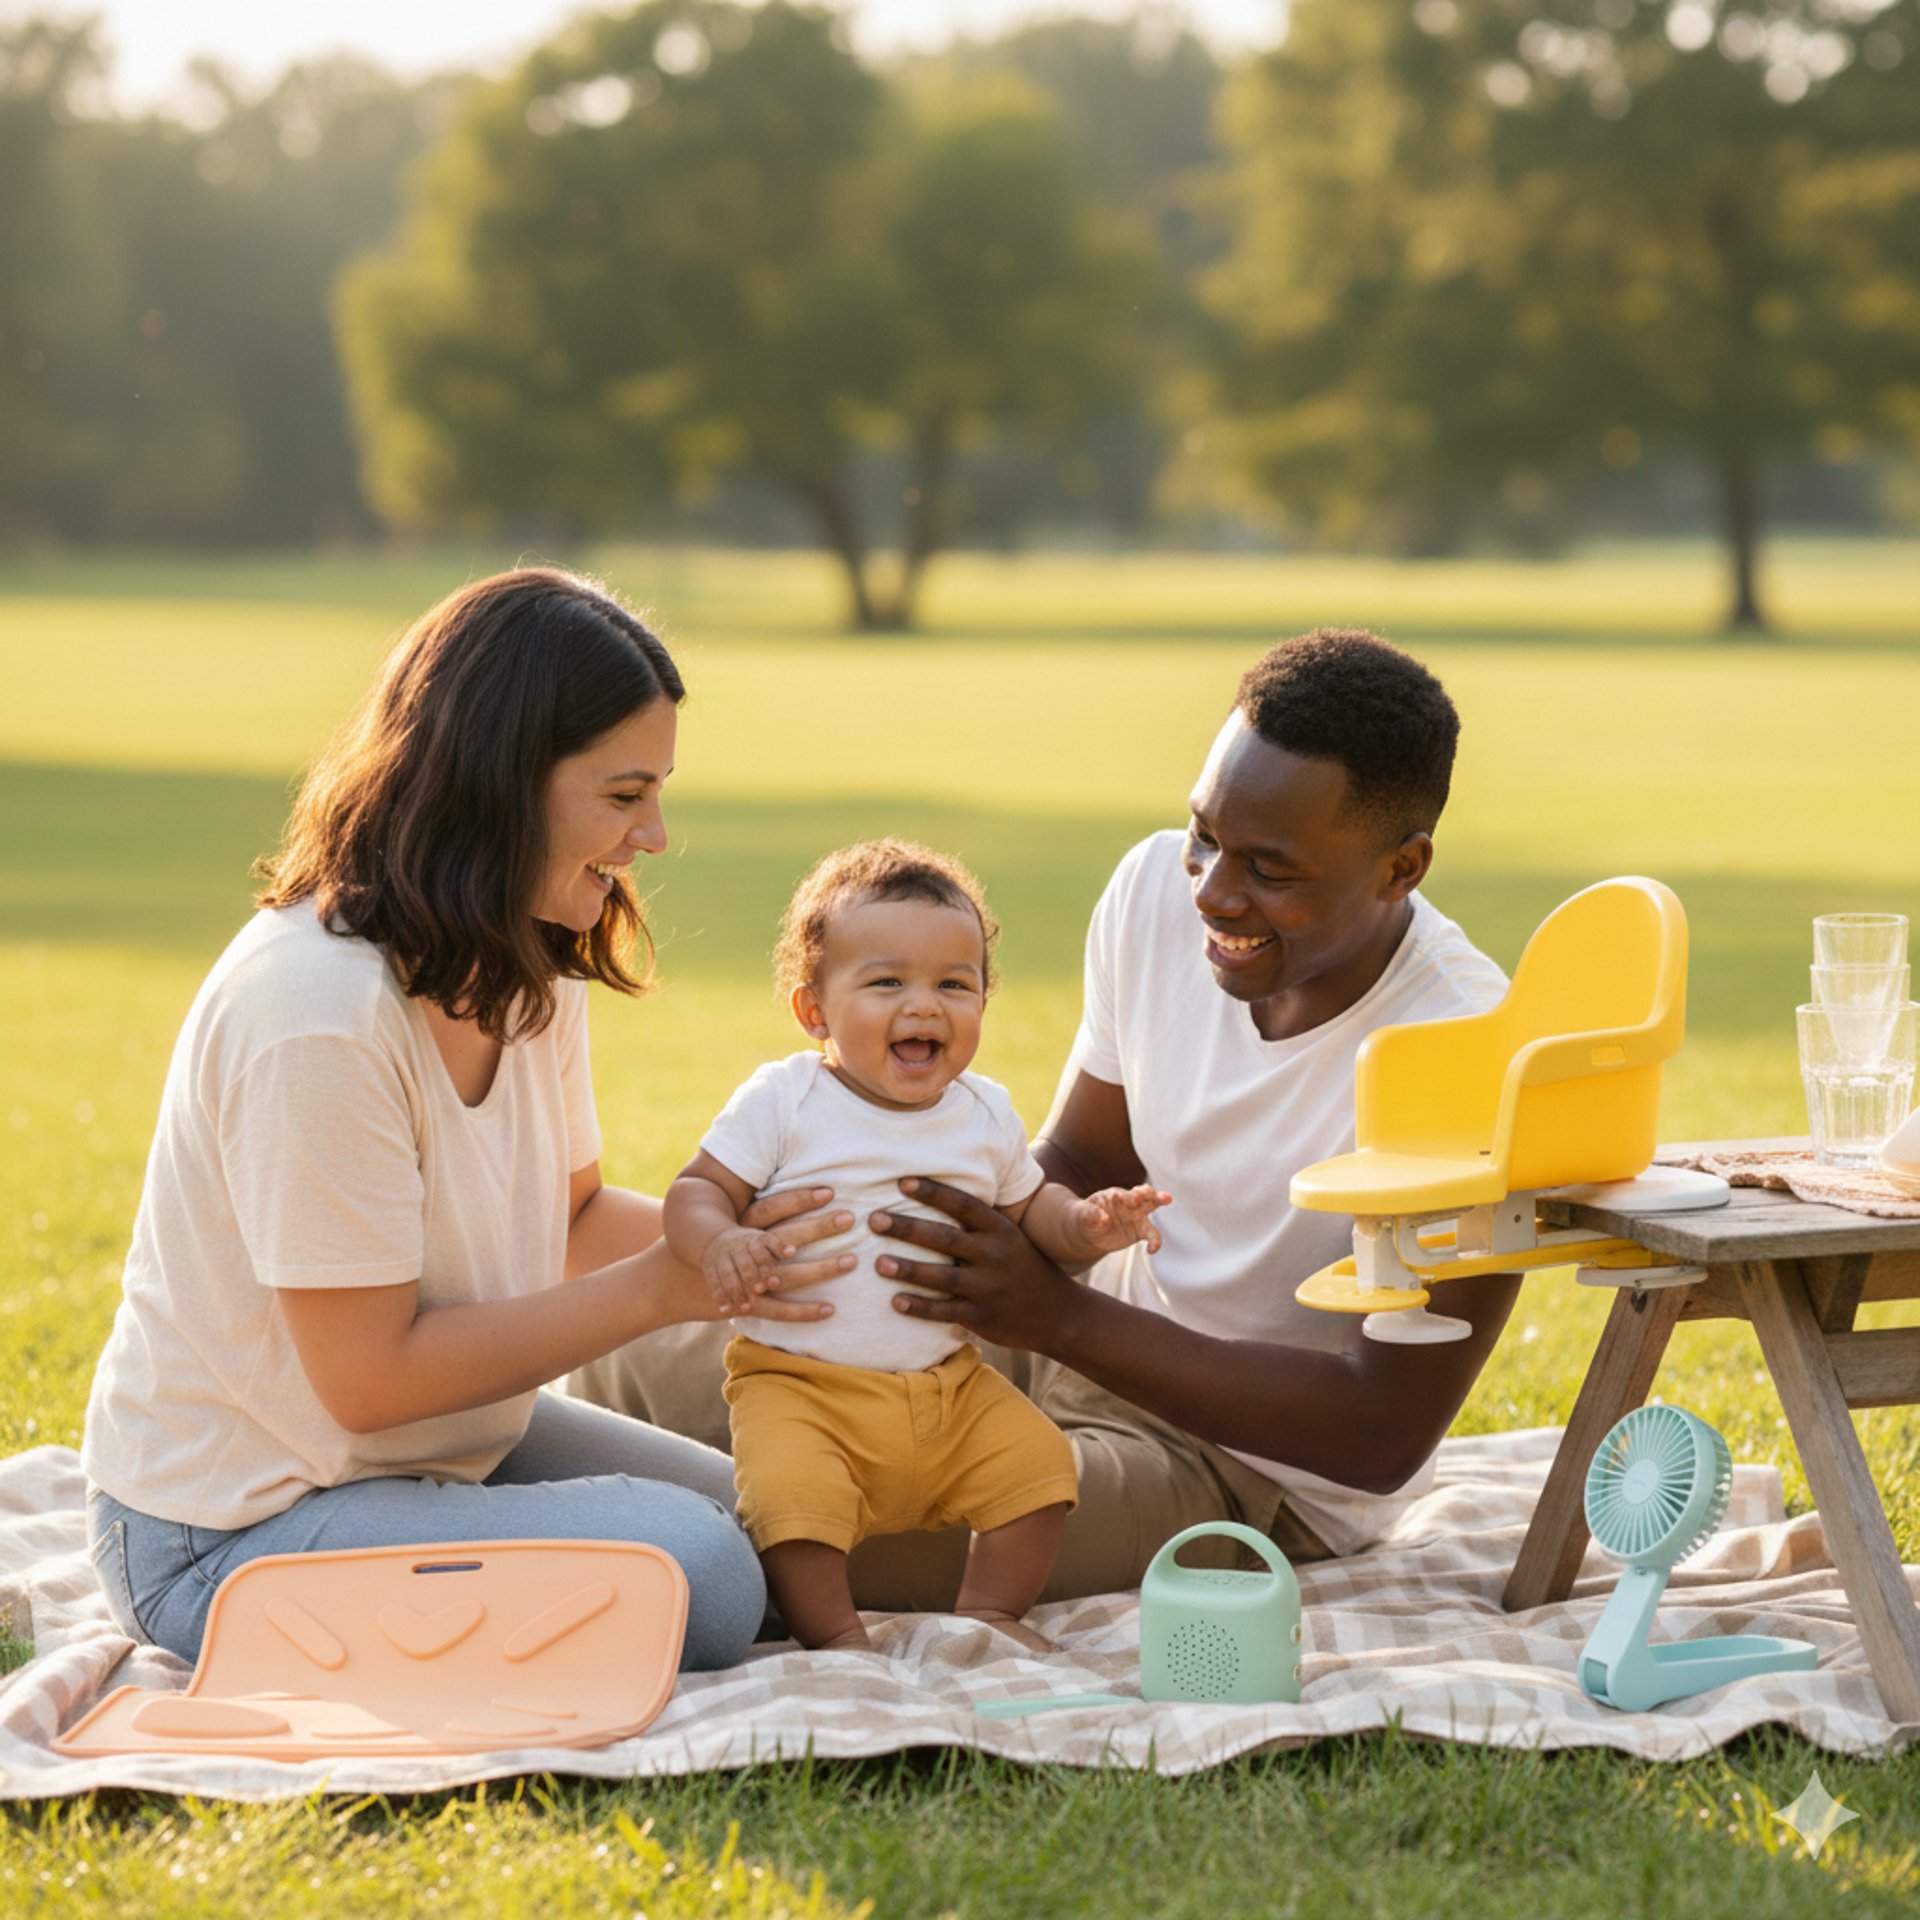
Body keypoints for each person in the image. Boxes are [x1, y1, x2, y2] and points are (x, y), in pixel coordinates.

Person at [572, 629, 1520, 1606]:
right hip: (1064, 1339)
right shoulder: (1156, 890)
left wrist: (1061, 1318)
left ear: (1400, 869)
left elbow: (1378, 1432)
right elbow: (1076, 1154)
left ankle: (576, 1549)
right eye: (1205, 835)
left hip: (1242, 1472)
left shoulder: (1466, 1051)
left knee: (792, 1552)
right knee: (621, 1369)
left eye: (1270, 871)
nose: (1212, 891)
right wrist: (906, 1255)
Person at [79, 568, 855, 1671]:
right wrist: (660, 1292)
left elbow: (572, 1217)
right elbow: (371, 1379)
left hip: (432, 1456)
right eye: (625, 795)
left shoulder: (530, 957)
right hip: (227, 1530)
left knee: (771, 1524)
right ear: (502, 785)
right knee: (710, 1575)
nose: (657, 835)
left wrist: (765, 1244)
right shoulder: (317, 1012)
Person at [664, 839, 1169, 1651]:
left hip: (947, 1388)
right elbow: (696, 1189)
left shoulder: (983, 1113)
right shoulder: (787, 1100)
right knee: (792, 1507)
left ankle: (991, 1613)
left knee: (1041, 1472)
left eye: (954, 985)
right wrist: (718, 1240)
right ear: (814, 1011)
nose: (925, 1006)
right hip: (801, 1387)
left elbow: (1031, 1204)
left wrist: (1087, 1224)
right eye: (887, 982)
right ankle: (835, 1637)